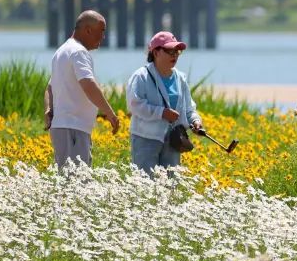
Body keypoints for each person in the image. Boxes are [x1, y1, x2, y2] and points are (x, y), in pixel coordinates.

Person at [44, 10, 119, 169]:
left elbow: (49, 87)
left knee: (68, 179)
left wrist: (48, 110)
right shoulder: (79, 52)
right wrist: (109, 113)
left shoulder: (61, 51)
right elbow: (88, 83)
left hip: (63, 126)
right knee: (78, 180)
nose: (103, 37)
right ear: (88, 30)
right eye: (102, 31)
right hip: (73, 127)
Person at [126, 31, 204, 173]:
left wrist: (195, 121)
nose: (175, 55)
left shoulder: (180, 78)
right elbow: (134, 105)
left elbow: (189, 108)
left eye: (177, 51)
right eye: (170, 51)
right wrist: (161, 113)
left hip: (173, 140)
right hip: (145, 138)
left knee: (170, 183)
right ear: (156, 52)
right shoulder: (141, 76)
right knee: (144, 182)